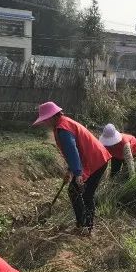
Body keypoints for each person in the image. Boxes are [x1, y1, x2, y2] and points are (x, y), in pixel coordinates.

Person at [32, 101, 111, 235]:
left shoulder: (63, 129)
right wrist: (71, 170)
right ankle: (85, 225)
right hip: (95, 158)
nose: (44, 123)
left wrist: (78, 173)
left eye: (45, 120)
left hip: (95, 160)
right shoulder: (64, 123)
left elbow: (73, 151)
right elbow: (73, 152)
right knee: (81, 192)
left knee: (81, 193)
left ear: (52, 117)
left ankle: (86, 227)